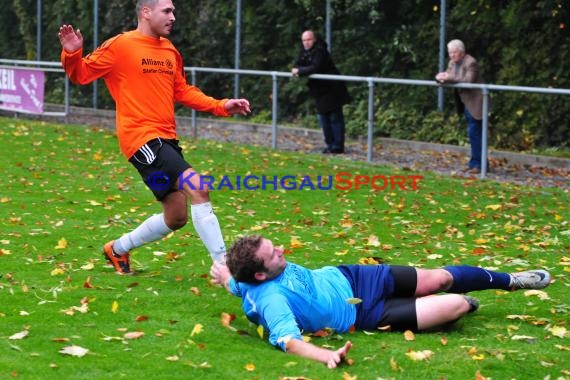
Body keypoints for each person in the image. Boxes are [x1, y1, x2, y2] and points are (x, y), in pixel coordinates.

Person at [58, 0, 251, 275]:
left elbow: (182, 91)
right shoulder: (121, 45)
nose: (173, 16)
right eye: (167, 11)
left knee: (176, 217)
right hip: (141, 137)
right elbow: (80, 75)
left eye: (173, 11)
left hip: (166, 138)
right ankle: (224, 267)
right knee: (198, 186)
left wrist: (221, 105)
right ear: (146, 12)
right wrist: (73, 54)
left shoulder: (170, 50)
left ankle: (118, 249)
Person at [210, 235, 551, 369]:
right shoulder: (271, 300)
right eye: (274, 254)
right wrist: (325, 355)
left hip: (357, 278)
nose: (281, 250)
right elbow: (287, 341)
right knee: (458, 304)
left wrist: (225, 276)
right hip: (366, 313)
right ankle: (446, 305)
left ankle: (510, 281)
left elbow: (235, 286)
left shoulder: (245, 279)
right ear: (260, 275)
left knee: (440, 278)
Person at [292, 30, 350, 154]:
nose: (306, 43)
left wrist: (300, 71)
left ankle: (337, 146)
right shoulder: (305, 52)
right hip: (320, 91)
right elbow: (297, 65)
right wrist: (299, 69)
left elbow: (315, 67)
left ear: (314, 39)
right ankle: (330, 144)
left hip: (333, 89)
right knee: (323, 118)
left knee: (335, 117)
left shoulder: (320, 51)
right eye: (304, 40)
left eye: (309, 40)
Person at [435, 39, 485, 174]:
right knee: (473, 133)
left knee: (475, 133)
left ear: (462, 52)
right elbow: (449, 77)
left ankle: (478, 165)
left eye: (454, 52)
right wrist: (440, 78)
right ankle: (476, 163)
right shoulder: (452, 63)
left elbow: (467, 81)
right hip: (464, 102)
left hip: (476, 103)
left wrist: (448, 77)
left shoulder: (471, 63)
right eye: (450, 53)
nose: (452, 55)